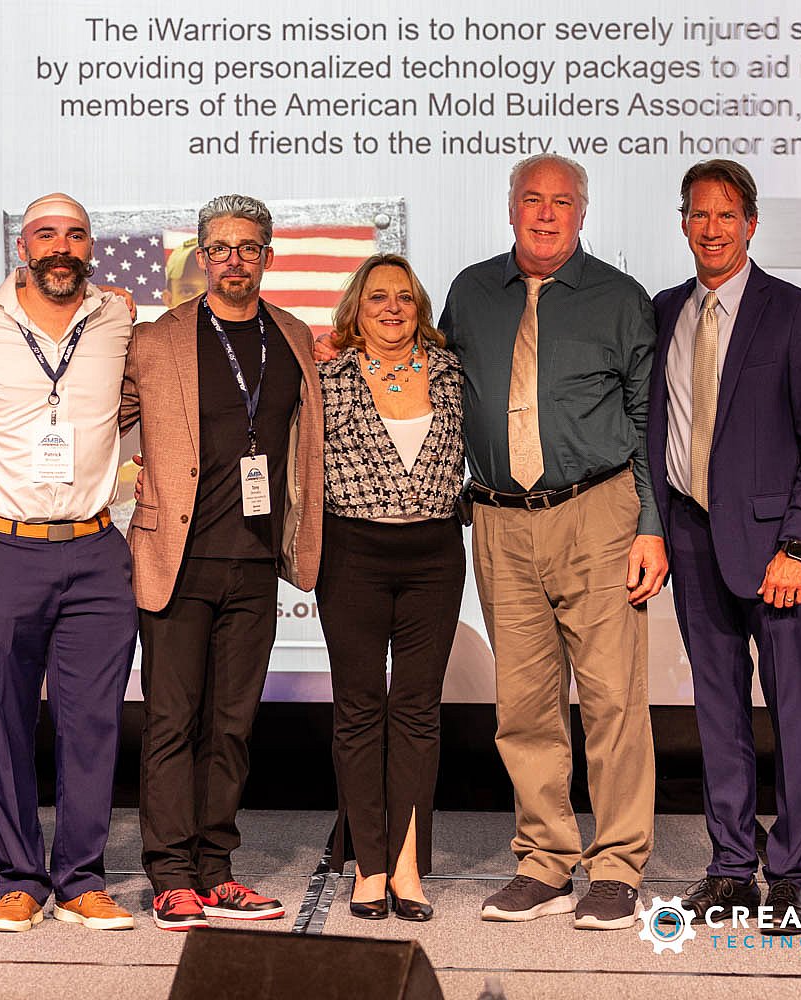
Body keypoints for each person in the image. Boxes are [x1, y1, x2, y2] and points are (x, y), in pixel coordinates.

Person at [434, 154, 665, 931]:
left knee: (611, 701)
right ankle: (543, 861)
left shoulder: (620, 298)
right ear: (510, 210)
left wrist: (649, 526)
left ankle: (617, 867)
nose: (544, 213)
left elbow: (647, 423)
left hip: (597, 513)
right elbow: (431, 384)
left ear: (581, 213)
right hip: (499, 520)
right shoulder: (470, 292)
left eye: (560, 202)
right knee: (524, 704)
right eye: (530, 199)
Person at [648, 160, 801, 934]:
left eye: (725, 215)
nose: (711, 228)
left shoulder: (796, 313)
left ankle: (789, 875)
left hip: (777, 553)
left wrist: (798, 545)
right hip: (691, 539)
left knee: (795, 715)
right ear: (682, 224)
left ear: (750, 224)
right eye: (698, 215)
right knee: (717, 713)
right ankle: (731, 868)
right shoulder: (664, 311)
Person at [121, 194, 324, 930]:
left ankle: (215, 869)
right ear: (201, 257)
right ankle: (170, 875)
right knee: (172, 722)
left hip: (255, 562)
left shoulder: (294, 336)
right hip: (177, 558)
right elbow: (91, 419)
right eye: (220, 248)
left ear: (268, 255)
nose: (233, 260)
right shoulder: (154, 339)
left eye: (248, 247)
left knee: (231, 726)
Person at [0, 193, 138, 934]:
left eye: (76, 235)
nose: (62, 246)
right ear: (21, 248)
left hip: (95, 550)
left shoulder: (118, 317)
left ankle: (82, 879)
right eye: (46, 234)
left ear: (92, 247)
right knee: (5, 719)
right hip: (3, 548)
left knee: (93, 724)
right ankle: (20, 879)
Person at [315, 255, 465, 922]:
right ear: (356, 307)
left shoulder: (450, 372)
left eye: (404, 297)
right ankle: (367, 866)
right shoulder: (326, 376)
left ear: (419, 307)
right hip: (352, 554)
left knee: (416, 710)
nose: (392, 308)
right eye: (377, 297)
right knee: (357, 711)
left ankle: (406, 865)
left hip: (434, 555)